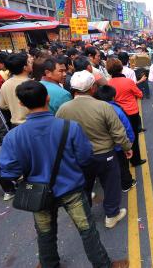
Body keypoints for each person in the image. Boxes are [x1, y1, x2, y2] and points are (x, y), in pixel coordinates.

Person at [0, 80, 127, 268]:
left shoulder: (14, 136)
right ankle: (103, 265)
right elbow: (85, 157)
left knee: (45, 233)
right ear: (48, 98)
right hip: (71, 189)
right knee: (87, 230)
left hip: (38, 192)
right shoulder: (69, 127)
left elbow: (9, 171)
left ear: (21, 103)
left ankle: (49, 264)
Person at [56, 70, 132, 229]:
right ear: (92, 88)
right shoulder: (103, 106)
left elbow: (59, 133)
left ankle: (84, 213)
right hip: (105, 154)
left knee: (84, 185)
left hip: (78, 156)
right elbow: (118, 132)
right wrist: (126, 147)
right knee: (110, 184)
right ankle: (111, 215)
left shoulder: (63, 109)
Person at [94, 85, 136, 192]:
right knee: (123, 165)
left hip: (103, 147)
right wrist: (129, 143)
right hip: (119, 146)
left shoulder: (94, 109)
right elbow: (127, 128)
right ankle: (126, 184)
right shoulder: (117, 110)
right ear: (113, 97)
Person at [106, 58, 146, 167]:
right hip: (131, 112)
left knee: (120, 136)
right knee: (133, 136)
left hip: (116, 113)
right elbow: (140, 94)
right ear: (120, 68)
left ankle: (124, 159)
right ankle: (135, 160)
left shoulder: (108, 83)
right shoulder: (128, 81)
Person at [0, 53, 32, 127]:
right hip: (31, 123)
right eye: (29, 62)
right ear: (25, 67)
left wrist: (13, 105)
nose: (31, 63)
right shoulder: (32, 84)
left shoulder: (5, 85)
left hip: (15, 125)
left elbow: (2, 105)